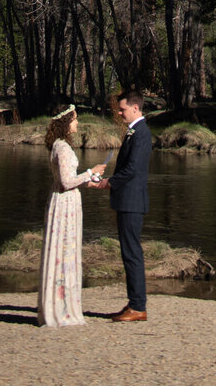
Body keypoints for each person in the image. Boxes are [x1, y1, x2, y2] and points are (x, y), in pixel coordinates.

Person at [37, 105, 106, 327]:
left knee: (64, 251)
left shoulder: (60, 146)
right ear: (65, 123)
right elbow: (67, 182)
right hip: (64, 204)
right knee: (64, 251)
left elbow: (69, 179)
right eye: (75, 119)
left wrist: (93, 180)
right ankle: (61, 309)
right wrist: (90, 172)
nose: (78, 123)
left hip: (63, 202)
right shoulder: (63, 148)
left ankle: (60, 305)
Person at [90, 88, 152, 322]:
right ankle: (134, 304)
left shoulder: (142, 133)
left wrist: (107, 183)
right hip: (128, 200)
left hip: (132, 201)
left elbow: (132, 169)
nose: (119, 112)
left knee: (132, 253)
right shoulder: (133, 132)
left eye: (123, 108)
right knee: (129, 252)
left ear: (136, 108)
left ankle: (137, 307)